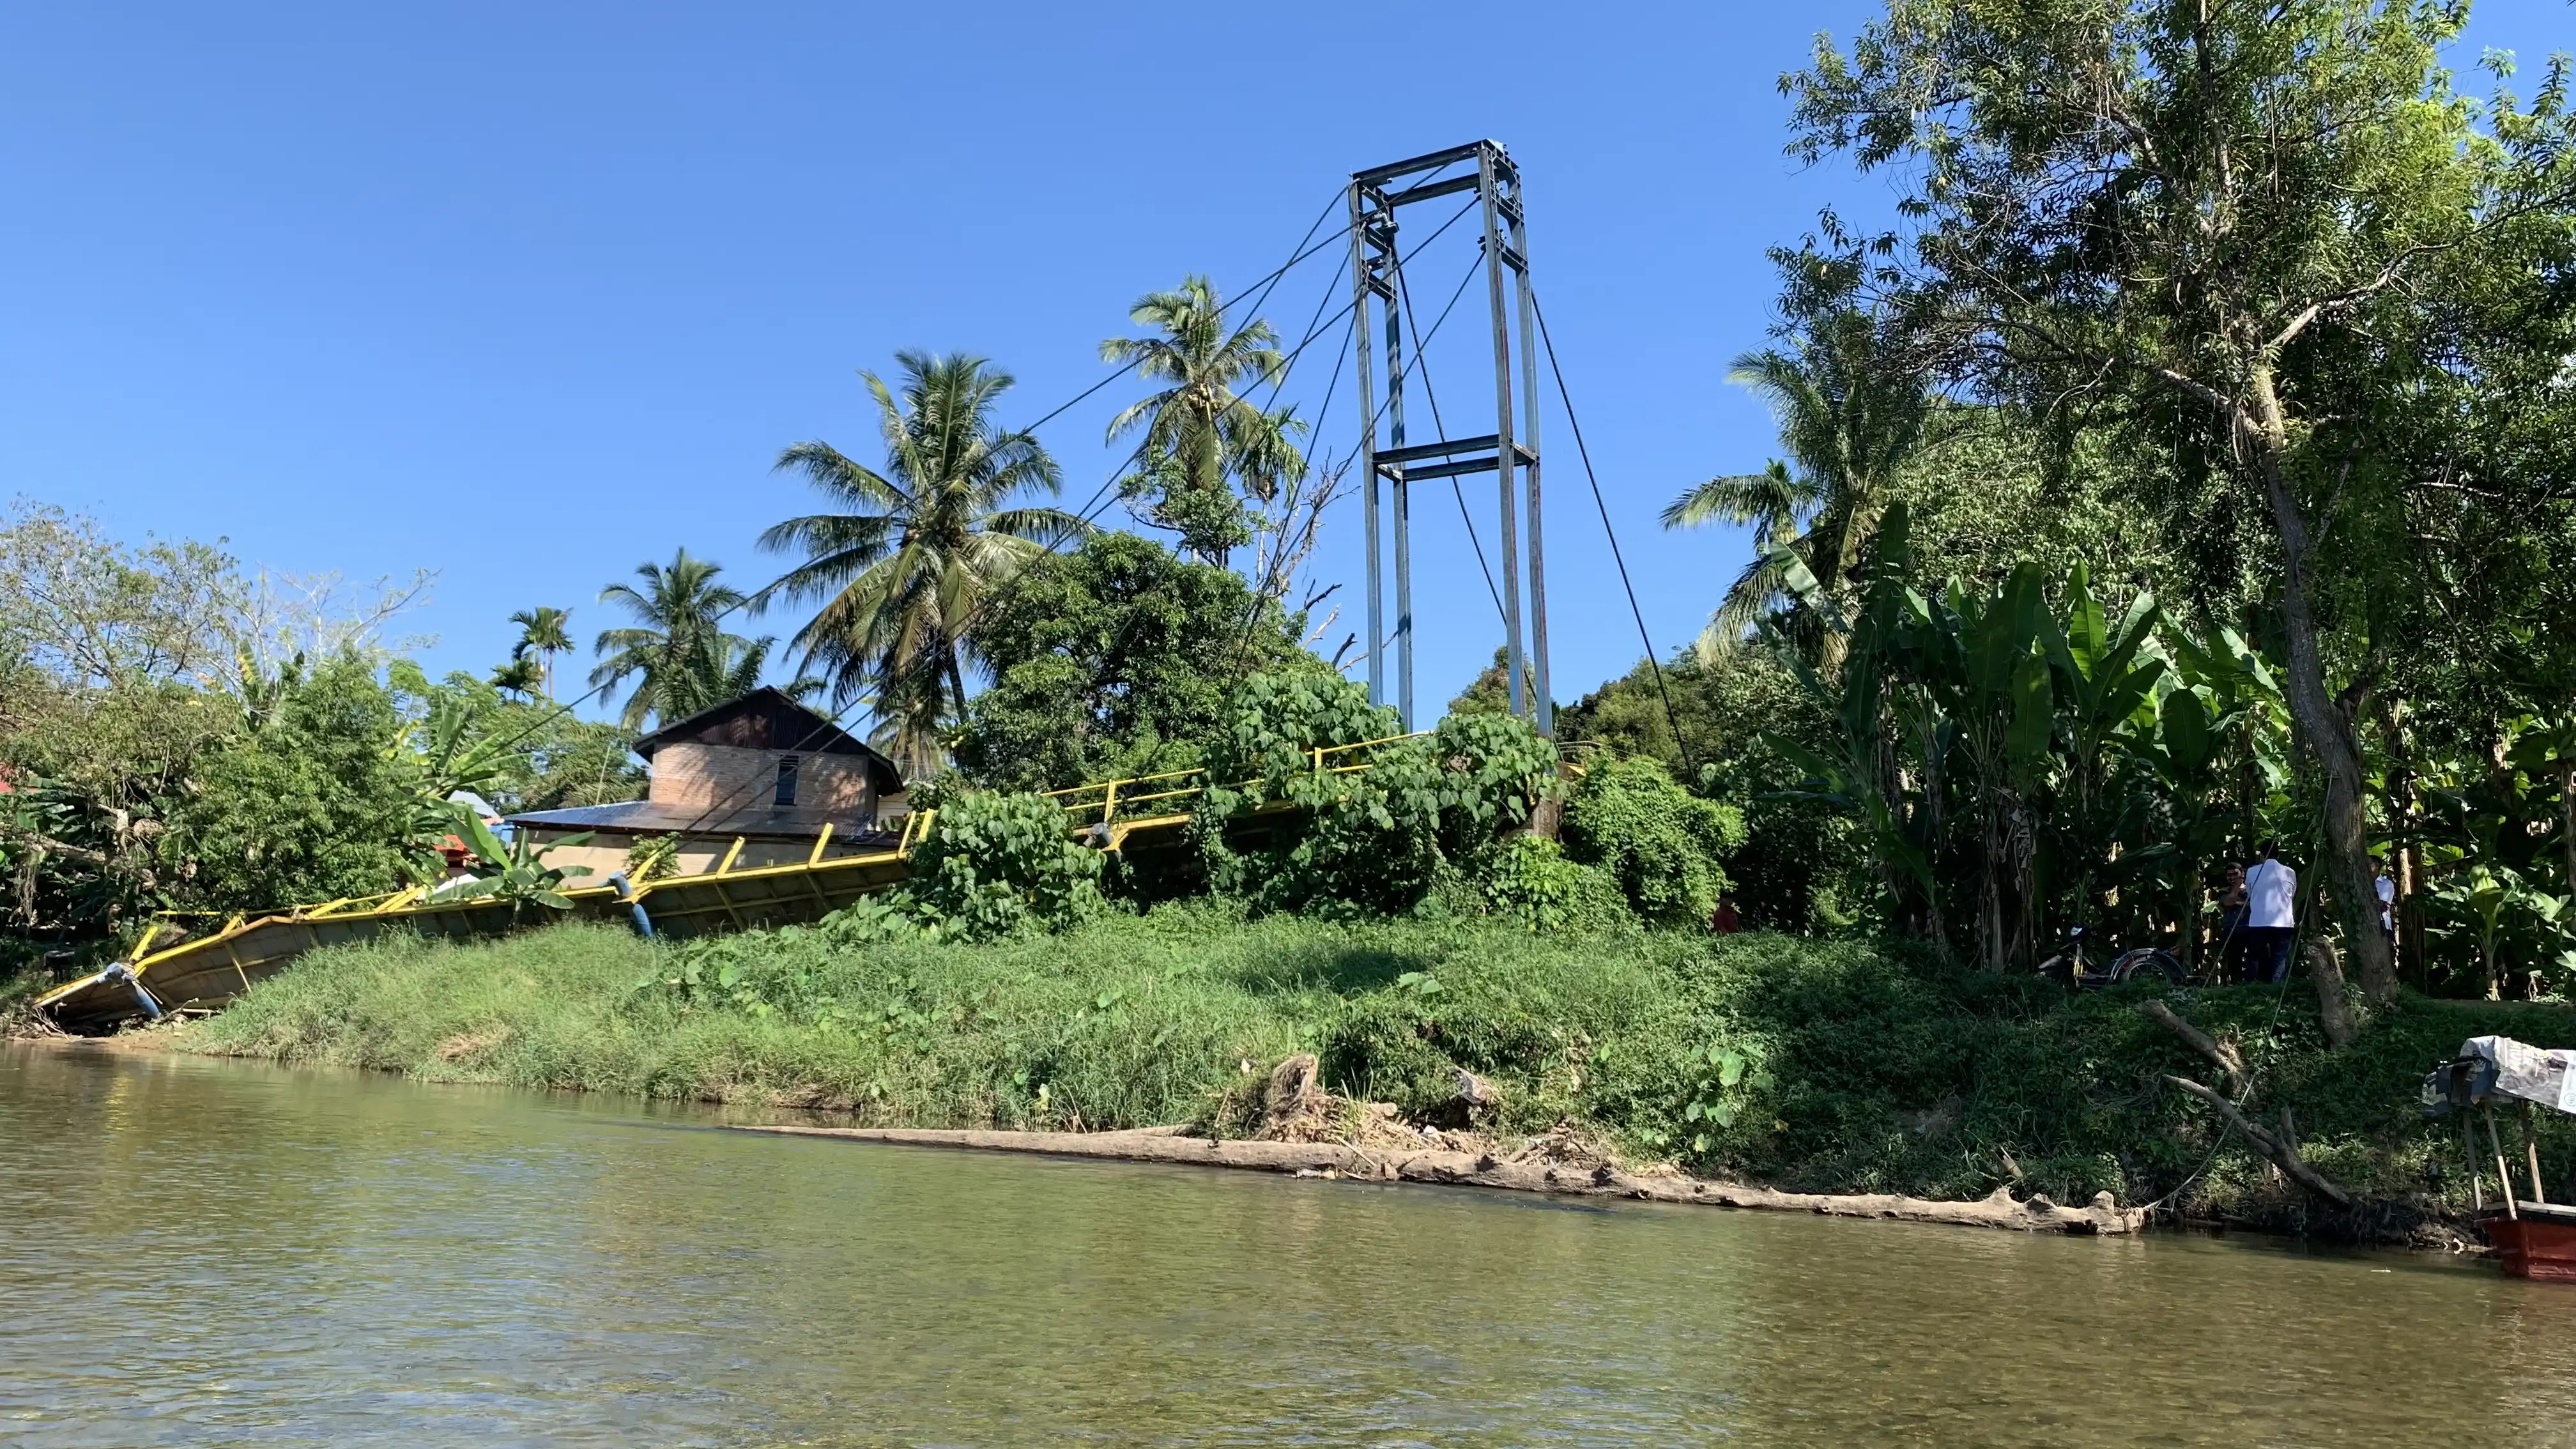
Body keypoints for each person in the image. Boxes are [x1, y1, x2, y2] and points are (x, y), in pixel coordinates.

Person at [2242, 842, 2297, 985]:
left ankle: (2254, 986)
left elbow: (2250, 893)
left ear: (2262, 855)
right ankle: (2277, 987)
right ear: (2278, 854)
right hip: (2283, 922)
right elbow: (2292, 894)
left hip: (2258, 921)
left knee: (2255, 957)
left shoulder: (2252, 872)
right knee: (2280, 957)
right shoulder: (2289, 872)